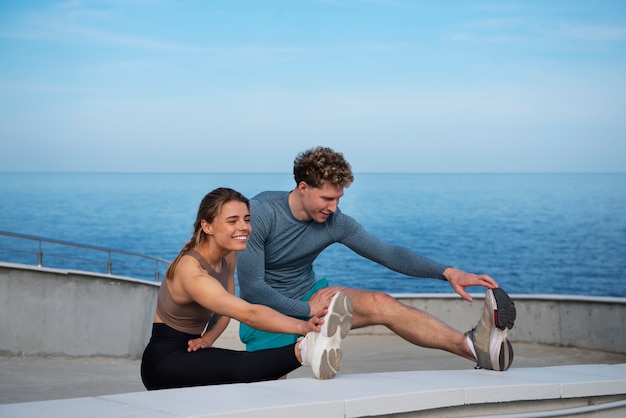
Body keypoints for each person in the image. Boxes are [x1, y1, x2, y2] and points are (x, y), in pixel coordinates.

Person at [237, 146, 516, 372]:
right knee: (272, 398)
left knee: (381, 303)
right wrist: (306, 310)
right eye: (327, 198)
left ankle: (474, 348)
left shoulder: (335, 221)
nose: (334, 208)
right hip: (266, 316)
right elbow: (252, 288)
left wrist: (448, 272)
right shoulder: (259, 213)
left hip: (314, 298)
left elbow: (388, 253)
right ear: (302, 187)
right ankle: (310, 342)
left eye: (339, 198)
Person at [140, 187, 354, 390]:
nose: (244, 227)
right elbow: (248, 314)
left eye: (247, 219)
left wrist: (207, 339)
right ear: (207, 226)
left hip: (188, 351)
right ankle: (306, 350)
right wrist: (303, 327)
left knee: (242, 369)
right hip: (162, 363)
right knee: (237, 366)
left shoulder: (228, 255)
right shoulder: (191, 272)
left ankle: (308, 348)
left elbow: (224, 308)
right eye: (233, 221)